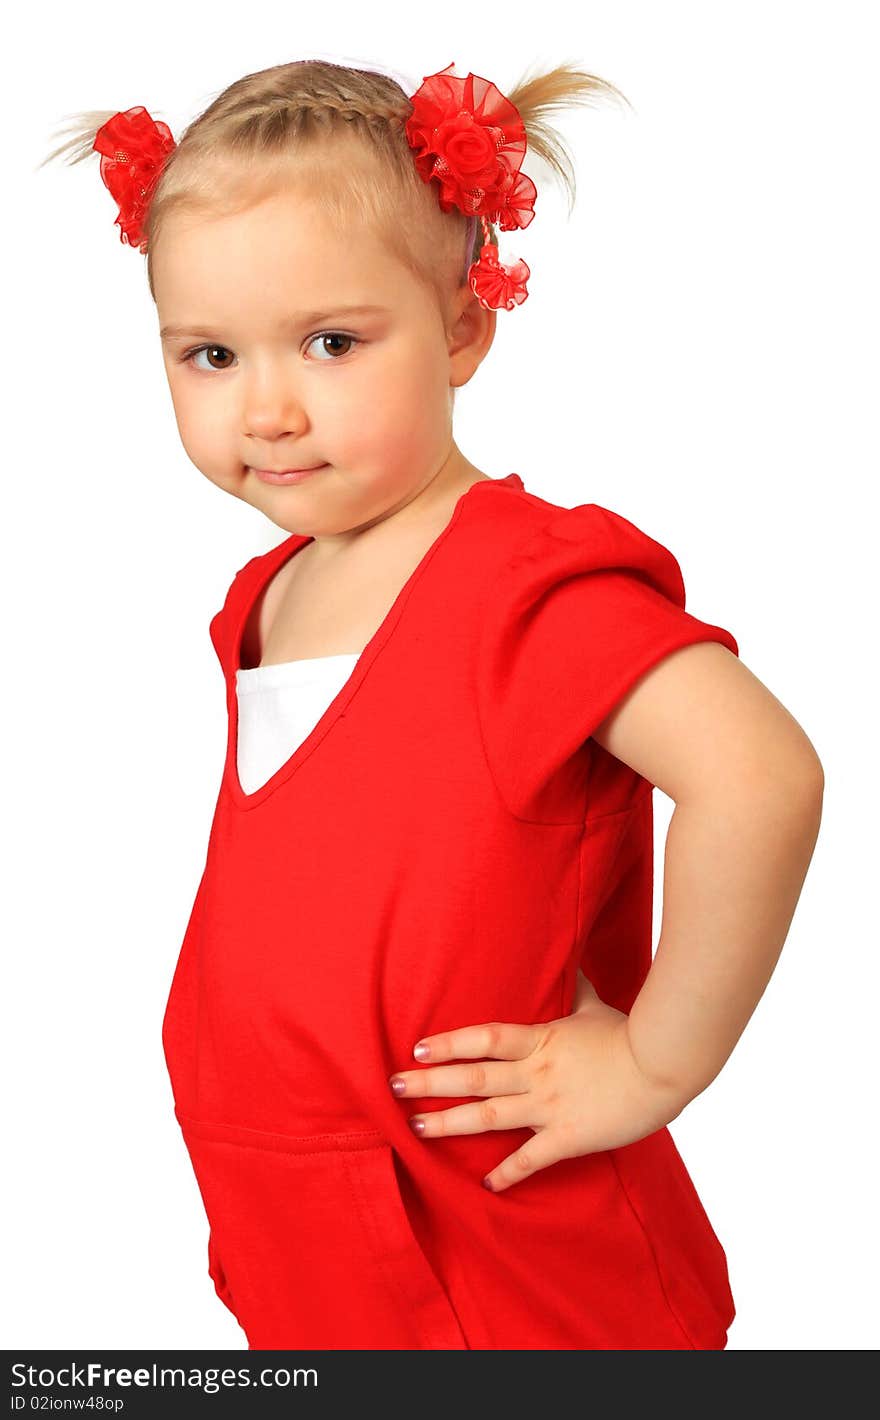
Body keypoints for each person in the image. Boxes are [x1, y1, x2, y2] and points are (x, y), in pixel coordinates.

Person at [40, 52, 824, 1351]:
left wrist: (655, 1061)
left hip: (499, 1266)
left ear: (463, 325)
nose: (269, 408)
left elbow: (760, 775)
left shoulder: (522, 588)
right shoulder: (263, 596)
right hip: (313, 1245)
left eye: (332, 343)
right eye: (211, 354)